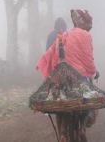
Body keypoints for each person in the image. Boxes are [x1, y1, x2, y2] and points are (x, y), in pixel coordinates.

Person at [36, 9, 99, 142]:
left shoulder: (65, 35)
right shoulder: (85, 36)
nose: (91, 26)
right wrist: (94, 71)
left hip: (62, 77)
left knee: (61, 104)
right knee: (91, 99)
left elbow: (54, 53)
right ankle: (82, 129)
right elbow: (89, 60)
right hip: (81, 78)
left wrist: (53, 72)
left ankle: (62, 134)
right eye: (89, 23)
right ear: (82, 23)